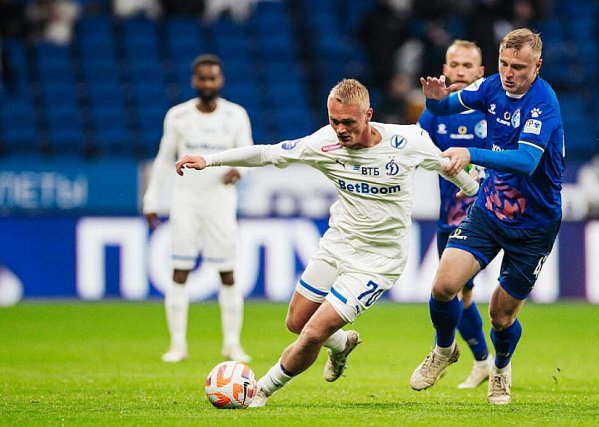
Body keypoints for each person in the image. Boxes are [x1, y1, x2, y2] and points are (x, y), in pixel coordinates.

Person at [174, 79, 479, 407]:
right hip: (337, 244)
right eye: (335, 121)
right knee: (296, 323)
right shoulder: (323, 142)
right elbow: (268, 153)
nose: (341, 129)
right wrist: (210, 160)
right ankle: (341, 345)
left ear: (368, 115)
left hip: (378, 261)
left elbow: (448, 165)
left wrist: (470, 188)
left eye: (349, 122)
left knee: (314, 332)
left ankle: (260, 391)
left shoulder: (408, 141)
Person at [410, 28, 564, 405]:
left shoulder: (542, 103)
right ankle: (444, 351)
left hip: (534, 226)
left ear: (537, 66)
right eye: (504, 64)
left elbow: (527, 161)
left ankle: (500, 368)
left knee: (500, 316)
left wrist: (471, 153)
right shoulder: (491, 87)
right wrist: (433, 100)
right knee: (443, 286)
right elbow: (445, 107)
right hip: (490, 211)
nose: (509, 73)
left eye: (519, 67)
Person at [142, 54, 253, 363]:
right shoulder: (178, 117)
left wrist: (240, 172)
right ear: (194, 81)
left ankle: (232, 344)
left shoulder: (236, 116)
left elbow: (250, 155)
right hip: (186, 202)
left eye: (212, 78)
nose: (207, 83)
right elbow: (165, 159)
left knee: (228, 273)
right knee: (179, 271)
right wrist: (152, 199)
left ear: (221, 80)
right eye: (202, 78)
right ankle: (178, 345)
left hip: (220, 202)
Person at [417, 39, 492, 389]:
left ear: (481, 73)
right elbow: (418, 151)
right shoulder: (432, 115)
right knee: (458, 294)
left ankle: (487, 361)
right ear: (444, 70)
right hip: (449, 217)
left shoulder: (494, 112)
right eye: (454, 64)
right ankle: (482, 362)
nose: (460, 71)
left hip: (490, 216)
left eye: (467, 66)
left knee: (461, 291)